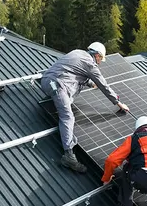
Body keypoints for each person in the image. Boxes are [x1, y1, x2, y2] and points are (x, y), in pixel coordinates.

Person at [41, 42, 129, 173]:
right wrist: (118, 102)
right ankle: (69, 156)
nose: (100, 62)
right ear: (97, 55)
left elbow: (73, 70)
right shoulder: (90, 64)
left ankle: (69, 146)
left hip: (48, 81)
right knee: (67, 117)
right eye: (100, 59)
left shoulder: (78, 53)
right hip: (57, 85)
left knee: (65, 105)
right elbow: (104, 85)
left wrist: (90, 83)